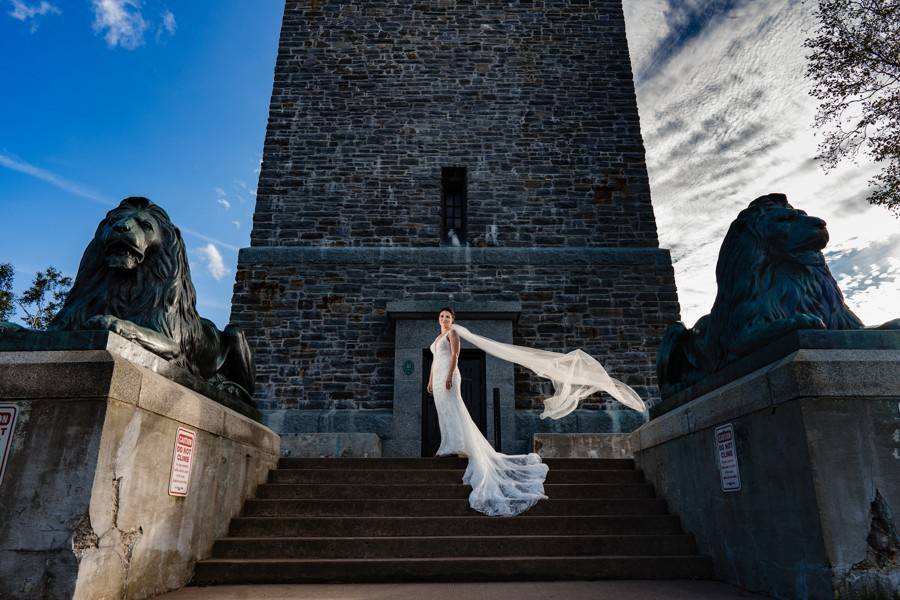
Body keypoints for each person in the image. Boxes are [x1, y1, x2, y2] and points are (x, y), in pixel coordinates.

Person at [426, 306, 646, 517]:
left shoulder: (453, 334)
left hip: (450, 377)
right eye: (442, 316)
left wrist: (448, 376)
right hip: (436, 378)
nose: (444, 319)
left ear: (452, 320)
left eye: (448, 317)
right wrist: (430, 379)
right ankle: (448, 443)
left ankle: (455, 445)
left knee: (455, 409)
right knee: (443, 411)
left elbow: (454, 356)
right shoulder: (436, 339)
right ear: (438, 319)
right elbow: (436, 360)